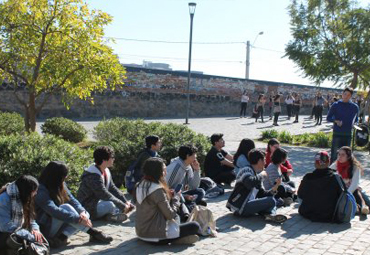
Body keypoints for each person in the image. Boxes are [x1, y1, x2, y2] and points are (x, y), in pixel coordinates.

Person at [35, 161, 112, 248]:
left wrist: (82, 212)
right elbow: (53, 210)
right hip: (44, 227)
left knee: (84, 214)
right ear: (56, 177)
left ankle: (61, 238)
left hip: (57, 224)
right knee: (66, 208)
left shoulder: (61, 184)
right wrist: (78, 219)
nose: (66, 178)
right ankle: (93, 233)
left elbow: (72, 200)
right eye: (64, 176)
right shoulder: (40, 190)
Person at [135, 157, 201, 245]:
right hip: (155, 236)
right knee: (194, 226)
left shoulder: (140, 184)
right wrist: (176, 198)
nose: (165, 173)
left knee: (182, 214)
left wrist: (169, 195)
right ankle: (177, 239)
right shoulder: (157, 190)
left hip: (141, 232)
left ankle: (179, 237)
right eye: (163, 171)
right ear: (156, 172)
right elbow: (170, 215)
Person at [227, 149, 287, 223]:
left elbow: (261, 194)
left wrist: (276, 186)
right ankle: (269, 214)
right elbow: (249, 183)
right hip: (240, 207)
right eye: (264, 160)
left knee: (271, 199)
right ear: (259, 161)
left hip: (247, 205)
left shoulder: (255, 174)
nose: (265, 163)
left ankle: (269, 215)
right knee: (271, 201)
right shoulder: (246, 170)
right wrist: (261, 175)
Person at [77, 146, 134, 223]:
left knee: (114, 204)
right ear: (104, 160)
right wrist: (123, 206)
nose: (114, 159)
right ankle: (113, 214)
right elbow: (104, 194)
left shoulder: (105, 170)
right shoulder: (92, 175)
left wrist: (125, 201)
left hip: (98, 202)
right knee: (111, 204)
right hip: (88, 208)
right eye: (112, 157)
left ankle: (109, 216)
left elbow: (112, 188)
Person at [0, 175, 43, 250]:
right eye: (34, 191)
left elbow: (30, 218)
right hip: (4, 234)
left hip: (17, 230)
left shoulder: (21, 196)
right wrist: (29, 236)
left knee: (37, 237)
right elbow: (5, 227)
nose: (36, 193)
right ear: (26, 191)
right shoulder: (4, 199)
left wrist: (35, 229)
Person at [298, 151, 343, 222]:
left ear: (315, 163)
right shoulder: (336, 177)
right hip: (329, 214)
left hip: (308, 212)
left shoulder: (308, 177)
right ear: (328, 162)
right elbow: (341, 195)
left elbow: (300, 195)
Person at [330, 146, 370, 215]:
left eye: (343, 155)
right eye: (339, 154)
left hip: (352, 190)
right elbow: (327, 171)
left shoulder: (355, 167)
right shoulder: (336, 164)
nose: (340, 156)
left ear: (348, 157)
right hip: (340, 190)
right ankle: (357, 207)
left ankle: (362, 207)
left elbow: (354, 184)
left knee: (362, 196)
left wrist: (346, 195)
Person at [327, 87, 359, 162]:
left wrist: (355, 124)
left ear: (351, 96)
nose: (346, 96)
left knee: (346, 156)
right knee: (334, 155)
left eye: (348, 95)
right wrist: (336, 121)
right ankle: (332, 171)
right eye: (345, 94)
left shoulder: (355, 107)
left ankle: (345, 172)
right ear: (342, 94)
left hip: (348, 135)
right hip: (337, 134)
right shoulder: (336, 105)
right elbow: (328, 118)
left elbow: (356, 119)